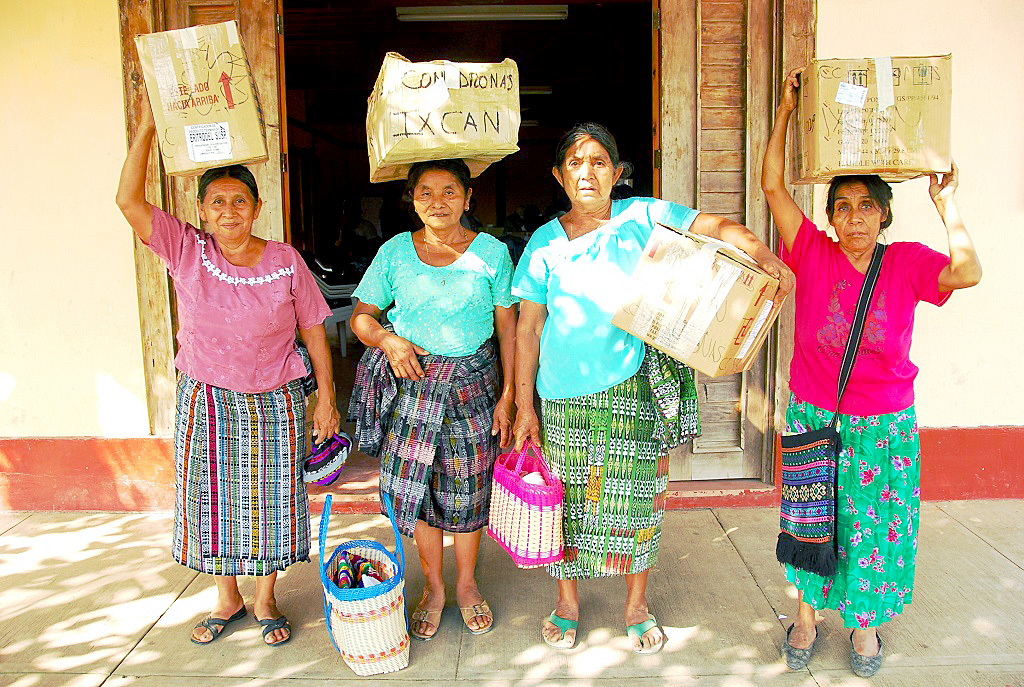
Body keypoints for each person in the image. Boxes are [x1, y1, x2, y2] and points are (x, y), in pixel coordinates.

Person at [512, 122, 795, 654]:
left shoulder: (642, 217)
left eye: (599, 162)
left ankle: (636, 604)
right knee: (566, 507)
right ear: (558, 175)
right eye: (576, 163)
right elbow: (528, 326)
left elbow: (713, 226)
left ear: (617, 172)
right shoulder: (544, 243)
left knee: (637, 503)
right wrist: (525, 404)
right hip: (560, 396)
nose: (587, 173)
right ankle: (567, 602)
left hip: (632, 390)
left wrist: (761, 252)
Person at [761, 68, 982, 677]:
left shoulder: (908, 263)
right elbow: (774, 187)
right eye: (842, 207)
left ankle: (865, 629)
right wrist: (785, 110)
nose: (853, 217)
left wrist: (948, 203)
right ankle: (806, 618)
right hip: (814, 414)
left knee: (875, 532)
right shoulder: (810, 250)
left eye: (866, 207)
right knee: (811, 523)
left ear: (884, 215)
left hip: (884, 426)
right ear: (829, 217)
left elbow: (966, 272)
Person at [115, 91, 340, 647]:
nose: (228, 212)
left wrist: (327, 397)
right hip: (207, 399)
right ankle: (227, 598)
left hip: (274, 399)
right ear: (201, 211)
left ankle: (265, 600)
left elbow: (314, 327)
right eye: (216, 203)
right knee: (211, 500)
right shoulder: (187, 249)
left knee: (270, 501)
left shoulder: (285, 260)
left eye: (239, 201)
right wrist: (147, 126)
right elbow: (127, 199)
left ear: (256, 207)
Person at [347, 159, 518, 640]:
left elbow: (508, 328)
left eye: (449, 192)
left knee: (467, 490)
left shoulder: (492, 253)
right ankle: (433, 587)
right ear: (413, 199)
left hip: (473, 387)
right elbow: (362, 316)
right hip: (413, 387)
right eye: (425, 193)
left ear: (468, 198)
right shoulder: (396, 252)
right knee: (419, 492)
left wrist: (508, 395)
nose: (437, 202)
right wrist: (388, 340)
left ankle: (466, 585)